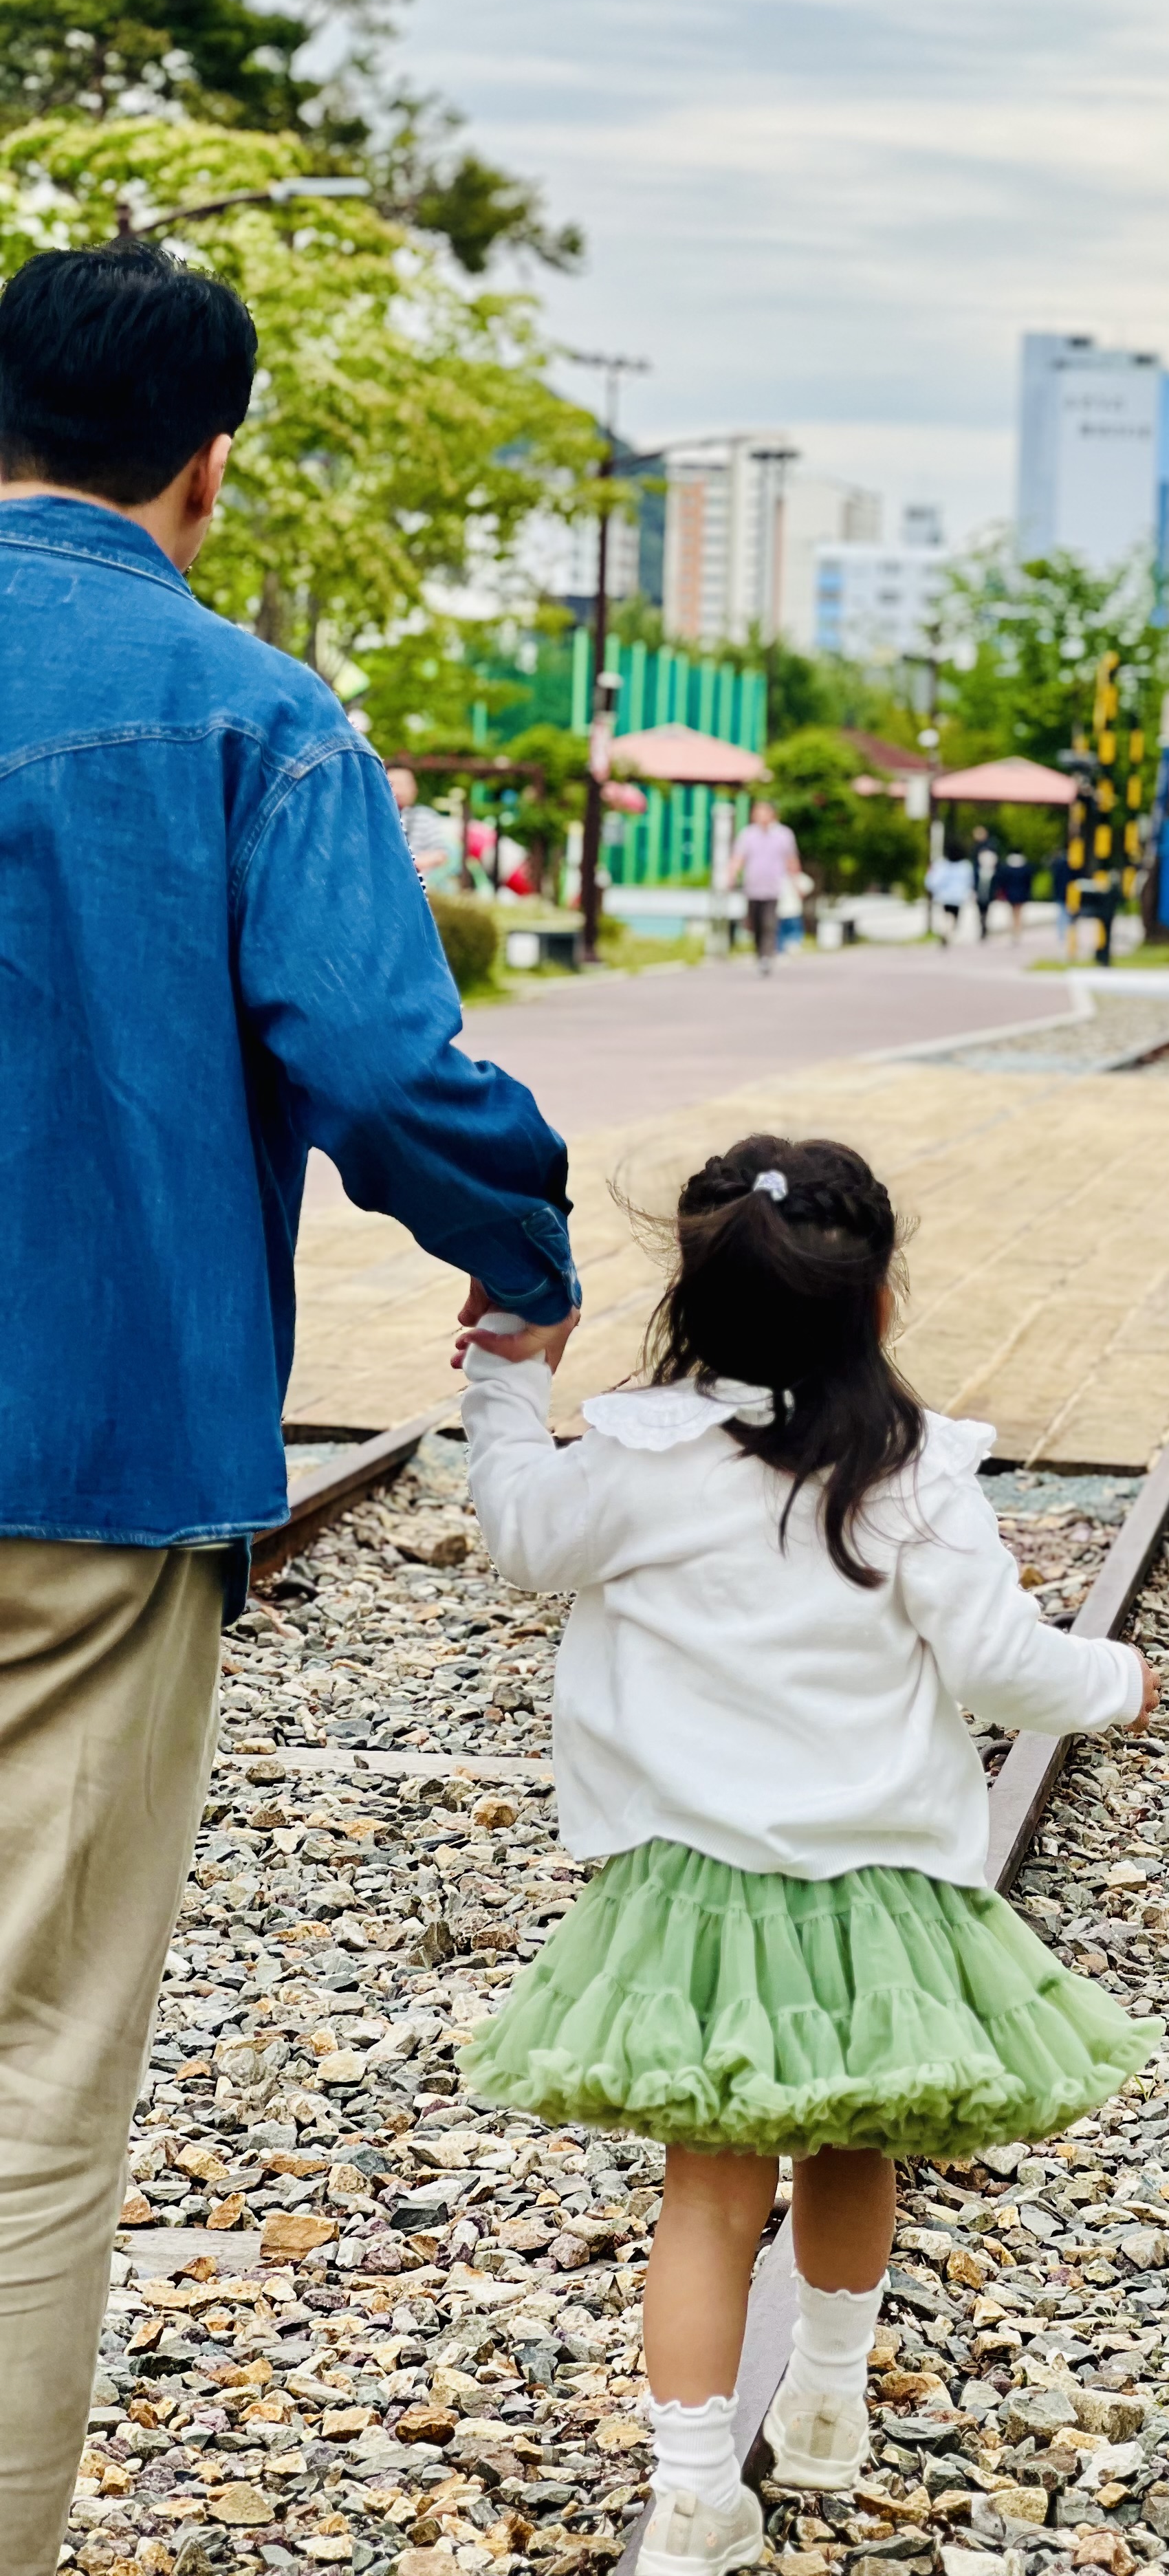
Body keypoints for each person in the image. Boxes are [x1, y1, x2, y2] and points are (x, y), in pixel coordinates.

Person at [0, 239, 582, 2576]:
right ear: (212, 462)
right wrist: (518, 1258)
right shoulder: (248, 714)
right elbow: (372, 1055)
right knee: (34, 2068)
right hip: (94, 1467)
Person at [452, 1137, 1160, 2576]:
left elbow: (520, 1534)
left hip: (693, 1903)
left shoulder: (641, 1463)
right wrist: (1118, 1683)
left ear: (691, 1307)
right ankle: (829, 2393)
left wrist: (506, 1377)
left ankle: (697, 2488)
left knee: (707, 2190)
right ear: (881, 1305)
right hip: (878, 1896)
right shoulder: (906, 1474)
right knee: (857, 2135)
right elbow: (1002, 1665)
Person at [728, 794, 801, 974]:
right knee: (754, 924)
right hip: (752, 888)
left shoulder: (784, 834)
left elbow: (791, 861)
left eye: (763, 812)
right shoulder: (748, 834)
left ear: (772, 814)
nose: (760, 815)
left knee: (770, 923)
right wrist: (731, 875)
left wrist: (797, 883)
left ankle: (767, 956)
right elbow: (738, 858)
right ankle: (760, 953)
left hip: (773, 888)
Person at [387, 761, 453, 882]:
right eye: (392, 784)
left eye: (404, 784)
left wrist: (409, 865)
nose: (399, 790)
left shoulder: (426, 816)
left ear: (415, 789)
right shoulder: (373, 818)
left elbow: (441, 854)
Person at [969, 823, 999, 937]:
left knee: (985, 905)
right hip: (981, 881)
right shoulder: (977, 848)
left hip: (987, 880)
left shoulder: (988, 847)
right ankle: (983, 924)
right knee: (982, 905)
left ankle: (984, 923)